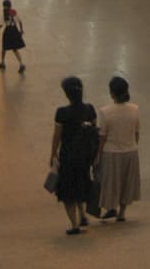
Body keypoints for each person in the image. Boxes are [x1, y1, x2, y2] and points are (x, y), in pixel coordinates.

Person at [50, 77, 97, 235]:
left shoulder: (62, 112)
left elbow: (57, 136)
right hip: (85, 156)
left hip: (68, 156)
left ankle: (75, 225)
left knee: (68, 191)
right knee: (80, 183)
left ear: (66, 94)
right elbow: (93, 131)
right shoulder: (89, 109)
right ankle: (83, 215)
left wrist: (53, 154)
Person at [96, 76, 141, 223]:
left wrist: (98, 155)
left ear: (112, 93)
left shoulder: (105, 112)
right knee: (126, 183)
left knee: (111, 183)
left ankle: (111, 207)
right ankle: (122, 212)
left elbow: (102, 137)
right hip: (131, 152)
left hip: (111, 153)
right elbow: (137, 133)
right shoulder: (135, 109)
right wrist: (132, 145)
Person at [0, 0, 26, 72]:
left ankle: (3, 62)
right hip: (14, 31)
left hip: (7, 32)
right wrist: (21, 30)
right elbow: (20, 21)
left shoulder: (4, 13)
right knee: (15, 49)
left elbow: (0, 25)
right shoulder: (14, 12)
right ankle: (21, 64)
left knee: (4, 48)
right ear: (10, 5)